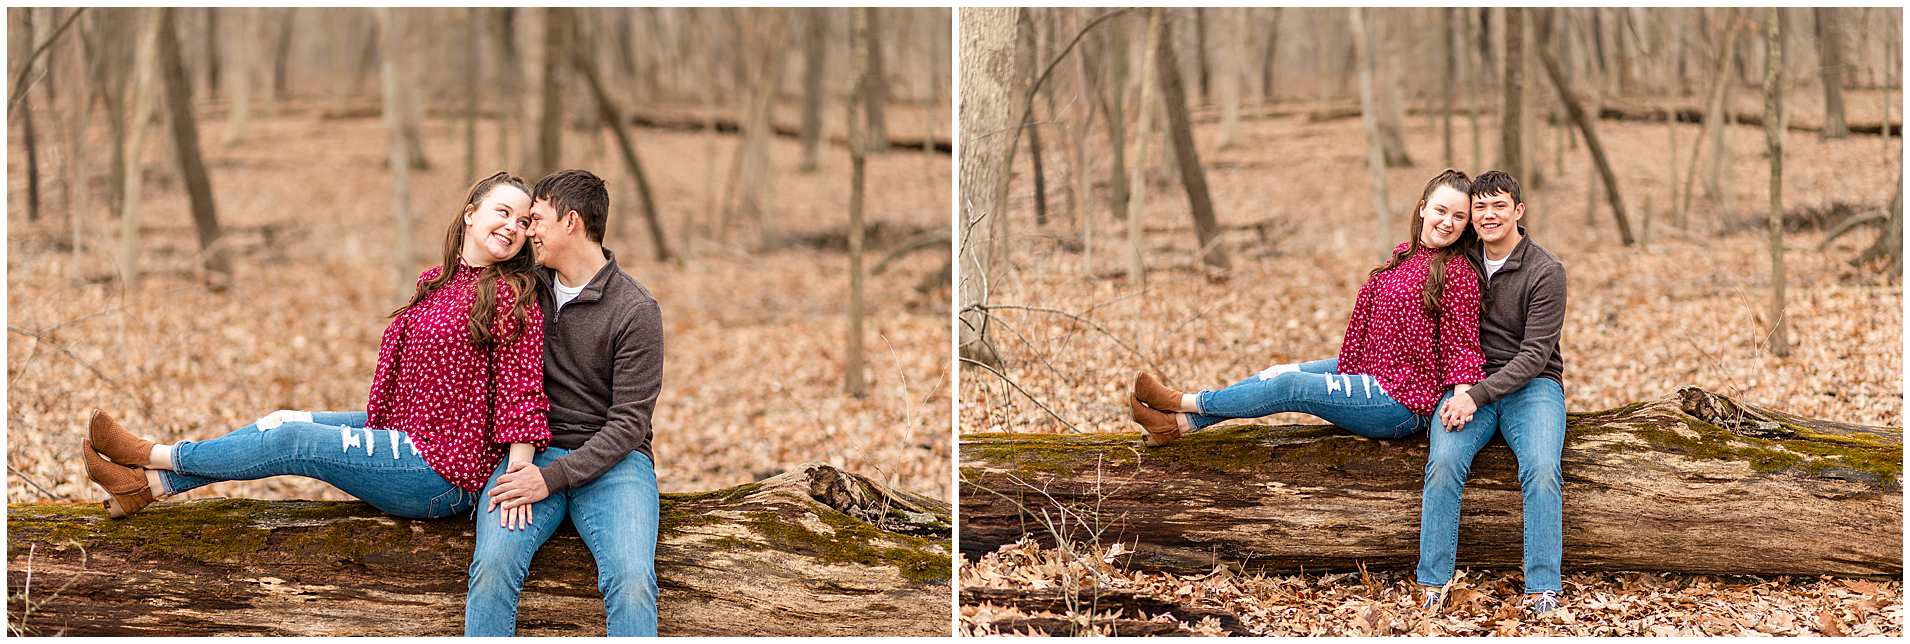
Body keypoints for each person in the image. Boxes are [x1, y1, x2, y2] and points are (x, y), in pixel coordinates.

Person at [81, 172, 551, 526]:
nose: (513, 226)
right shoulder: (437, 282)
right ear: (471, 212)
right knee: (283, 420)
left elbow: (522, 390)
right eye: (503, 212)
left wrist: (518, 478)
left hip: (440, 471)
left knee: (293, 442)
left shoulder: (511, 294)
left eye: (523, 221)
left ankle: (152, 454)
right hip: (404, 431)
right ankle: (146, 487)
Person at [1129, 169, 1486, 447]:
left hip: (1402, 402)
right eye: (1441, 210)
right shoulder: (1404, 256)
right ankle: (1176, 425)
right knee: (1276, 372)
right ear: (1423, 207)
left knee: (1290, 386)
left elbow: (1463, 347)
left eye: (1459, 216)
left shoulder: (1458, 273)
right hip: (1374, 368)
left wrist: (1460, 402)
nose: (1447, 222)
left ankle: (1183, 401)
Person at [463, 170, 666, 637]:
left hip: (616, 464)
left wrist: (550, 480)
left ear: (570, 222)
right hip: (532, 452)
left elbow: (629, 425)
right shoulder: (525, 288)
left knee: (633, 581)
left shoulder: (635, 310)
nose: (527, 230)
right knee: (492, 568)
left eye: (537, 219)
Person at [1415, 170, 1569, 616]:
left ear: (1518, 211)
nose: (1488, 215)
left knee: (1542, 469)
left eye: (1498, 205)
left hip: (1532, 387)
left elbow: (1535, 355)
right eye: (1479, 207)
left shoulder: (1546, 270)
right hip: (1467, 381)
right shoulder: (1460, 260)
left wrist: (1475, 396)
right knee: (1442, 462)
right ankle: (1433, 581)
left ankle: (1542, 587)